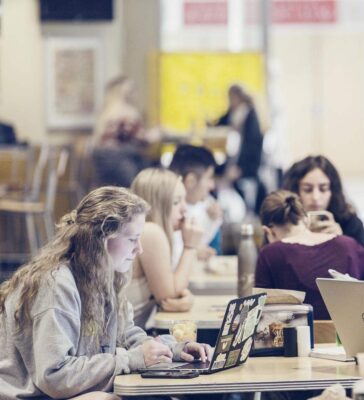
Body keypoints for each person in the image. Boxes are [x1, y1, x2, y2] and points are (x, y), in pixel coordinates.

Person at [0, 186, 212, 399]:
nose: (139, 249)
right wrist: (131, 360)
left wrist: (173, 350)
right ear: (102, 239)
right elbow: (55, 377)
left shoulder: (105, 275)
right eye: (132, 239)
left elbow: (126, 335)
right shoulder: (57, 284)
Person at [255, 190, 364, 320]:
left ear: (268, 231)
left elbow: (259, 316)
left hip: (300, 342)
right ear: (305, 219)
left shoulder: (269, 254)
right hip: (350, 340)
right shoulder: (348, 244)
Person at [127, 168, 204, 328]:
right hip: (121, 343)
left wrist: (186, 299)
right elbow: (170, 296)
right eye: (176, 202)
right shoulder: (150, 231)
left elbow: (171, 295)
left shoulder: (149, 231)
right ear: (157, 205)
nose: (184, 209)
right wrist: (190, 246)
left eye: (184, 200)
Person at [282, 155, 364, 250]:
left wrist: (342, 241)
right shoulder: (282, 224)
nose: (316, 197)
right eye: (307, 190)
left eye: (323, 189)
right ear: (295, 191)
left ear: (333, 191)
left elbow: (362, 263)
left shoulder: (351, 224)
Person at [92, 76, 161, 188]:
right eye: (133, 89)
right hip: (121, 165)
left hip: (104, 166)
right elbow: (143, 139)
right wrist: (159, 133)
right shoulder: (126, 111)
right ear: (124, 92)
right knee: (157, 172)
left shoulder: (106, 109)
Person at [215, 84, 265, 214]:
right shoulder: (233, 113)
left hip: (246, 165)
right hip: (234, 159)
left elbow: (252, 145)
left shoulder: (249, 114)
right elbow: (221, 121)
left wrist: (241, 168)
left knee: (243, 197)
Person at [169, 144, 222, 259]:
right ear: (191, 180)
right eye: (209, 178)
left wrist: (212, 220)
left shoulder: (204, 204)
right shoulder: (166, 210)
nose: (212, 185)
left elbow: (198, 243)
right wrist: (194, 252)